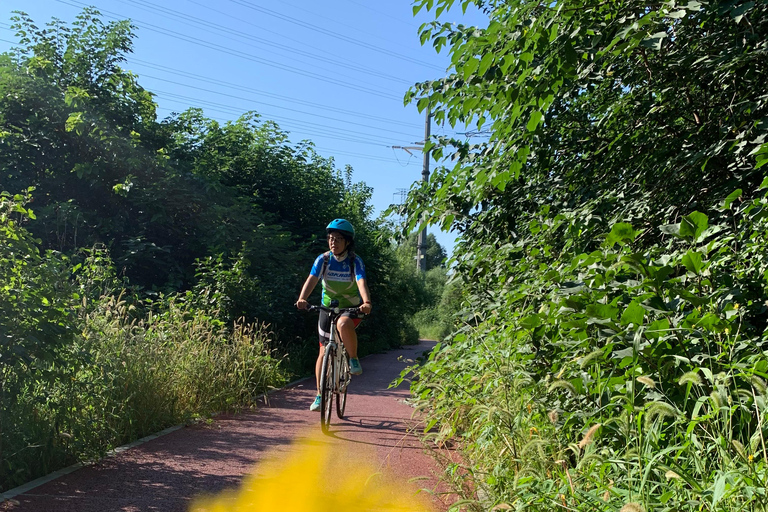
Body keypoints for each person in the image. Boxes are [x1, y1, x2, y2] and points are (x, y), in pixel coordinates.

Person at [296, 219, 372, 411]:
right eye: (330, 238)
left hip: (351, 309)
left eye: (338, 239)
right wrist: (302, 298)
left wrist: (366, 302)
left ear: (347, 242)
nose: (333, 242)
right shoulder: (323, 259)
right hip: (327, 308)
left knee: (343, 324)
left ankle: (353, 359)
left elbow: (361, 281)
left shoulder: (355, 261)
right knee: (323, 351)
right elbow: (312, 279)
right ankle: (320, 395)